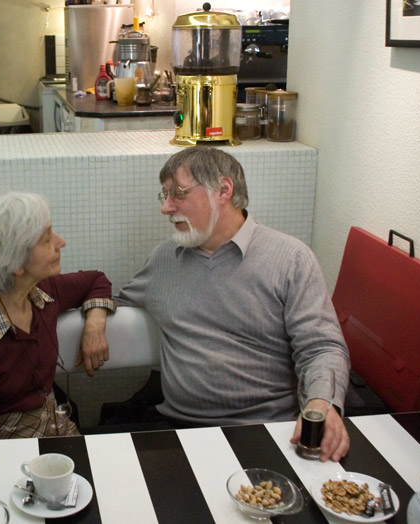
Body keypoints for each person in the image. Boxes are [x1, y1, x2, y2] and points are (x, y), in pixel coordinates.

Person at [115, 146, 351, 462]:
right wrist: (95, 311)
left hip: (270, 431)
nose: (166, 208)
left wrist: (321, 404)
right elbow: (117, 300)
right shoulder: (164, 260)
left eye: (178, 194)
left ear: (223, 190)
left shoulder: (290, 259)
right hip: (177, 430)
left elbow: (321, 347)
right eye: (165, 196)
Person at [0, 192, 115, 444]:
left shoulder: (42, 291)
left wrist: (95, 324)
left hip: (47, 420)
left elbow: (96, 280)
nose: (61, 242)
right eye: (46, 239)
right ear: (16, 262)